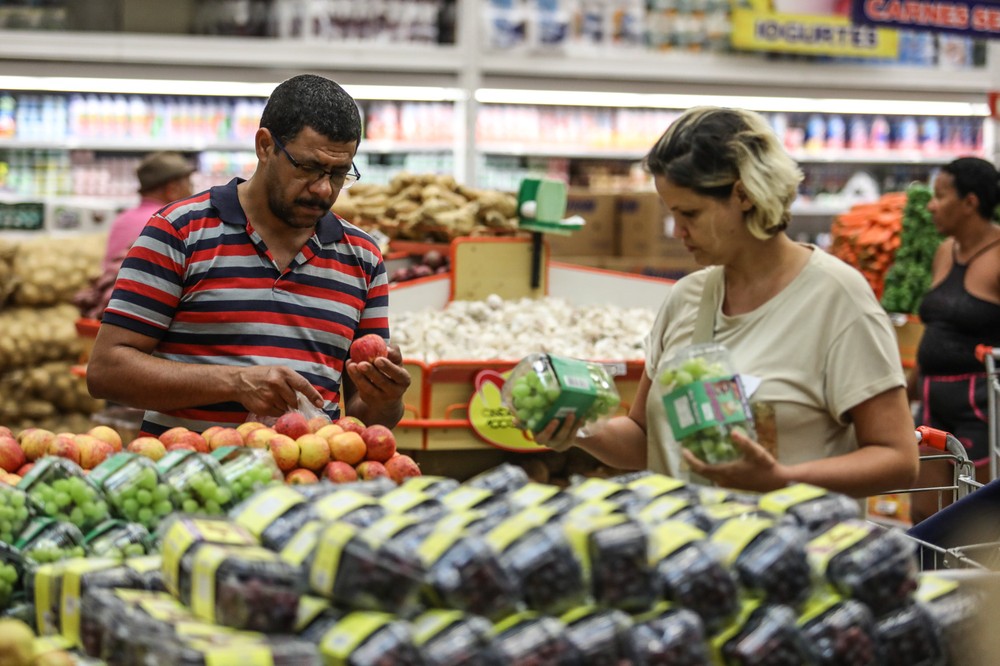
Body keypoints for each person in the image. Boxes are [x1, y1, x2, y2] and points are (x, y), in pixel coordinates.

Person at [538, 106, 918, 498]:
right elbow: (646, 439)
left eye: (690, 213)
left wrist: (782, 478)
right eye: (672, 213)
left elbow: (898, 460)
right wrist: (579, 428)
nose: (677, 230)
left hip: (790, 548)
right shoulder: (687, 298)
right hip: (692, 548)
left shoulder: (838, 299)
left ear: (744, 195)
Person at [86, 74, 410, 436]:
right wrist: (236, 382)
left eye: (338, 173)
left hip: (308, 486)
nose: (322, 188)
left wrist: (386, 400)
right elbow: (106, 373)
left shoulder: (363, 258)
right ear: (265, 146)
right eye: (307, 167)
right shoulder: (179, 231)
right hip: (192, 482)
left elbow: (362, 415)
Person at [911, 157, 1000, 522]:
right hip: (933, 401)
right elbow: (936, 330)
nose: (931, 205)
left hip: (980, 408)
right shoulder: (944, 252)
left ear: (970, 202)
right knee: (924, 515)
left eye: (941, 195)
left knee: (972, 524)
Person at [102, 151, 195, 272]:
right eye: (189, 185)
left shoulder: (121, 219)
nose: (192, 192)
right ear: (172, 189)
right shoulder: (172, 223)